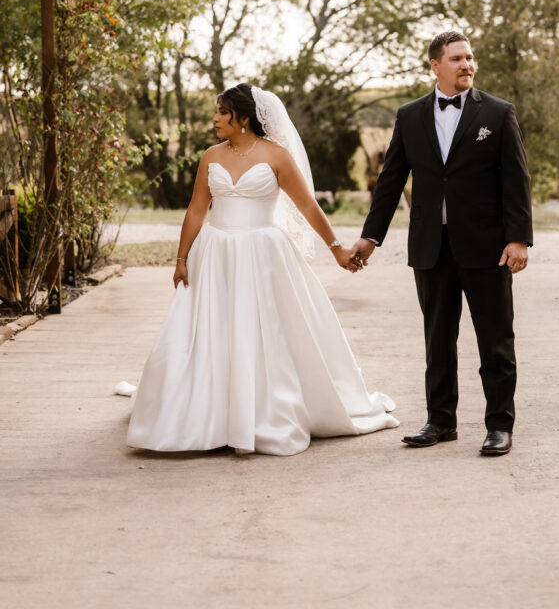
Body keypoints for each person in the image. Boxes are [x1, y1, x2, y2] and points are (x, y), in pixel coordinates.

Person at [120, 84, 398, 456]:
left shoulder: (277, 156)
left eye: (222, 112)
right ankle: (207, 413)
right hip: (215, 253)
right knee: (209, 331)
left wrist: (337, 250)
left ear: (244, 118)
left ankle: (263, 413)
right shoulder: (210, 156)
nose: (215, 119)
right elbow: (197, 210)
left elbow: (308, 207)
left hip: (264, 255)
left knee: (267, 331)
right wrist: (181, 259)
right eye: (217, 111)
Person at [349, 30, 532, 456]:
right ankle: (441, 421)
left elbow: (516, 179)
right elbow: (391, 180)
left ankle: (499, 425)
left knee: (495, 342)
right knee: (437, 340)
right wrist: (370, 237)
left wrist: (518, 238)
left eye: (469, 57)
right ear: (435, 65)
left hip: (487, 247)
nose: (467, 64)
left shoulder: (499, 113)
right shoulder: (410, 116)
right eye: (456, 59)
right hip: (431, 247)